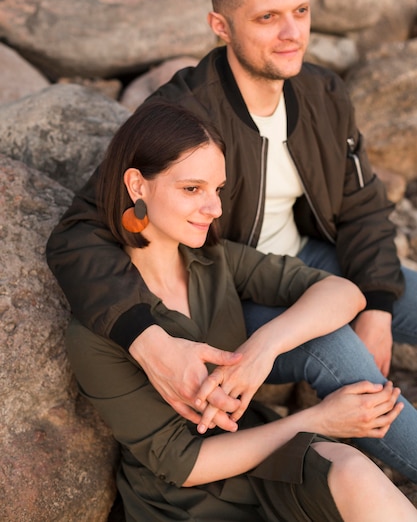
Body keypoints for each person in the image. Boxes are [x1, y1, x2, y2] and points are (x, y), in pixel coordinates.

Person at [46, 0, 417, 480]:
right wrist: (148, 341)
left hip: (307, 261)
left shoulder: (322, 91)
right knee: (338, 350)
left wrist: (378, 309)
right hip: (233, 291)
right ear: (220, 25)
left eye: (301, 11)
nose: (292, 33)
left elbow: (361, 207)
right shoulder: (181, 115)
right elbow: (77, 234)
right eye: (268, 17)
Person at [65, 100, 416, 521]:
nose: (214, 209)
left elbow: (342, 292)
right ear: (137, 186)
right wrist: (320, 419)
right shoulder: (99, 329)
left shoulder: (215, 261)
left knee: (354, 471)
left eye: (217, 190)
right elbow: (184, 464)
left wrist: (261, 349)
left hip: (260, 450)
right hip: (187, 500)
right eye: (192, 189)